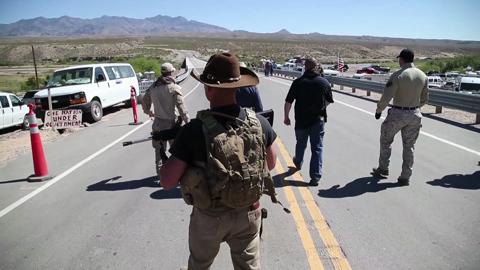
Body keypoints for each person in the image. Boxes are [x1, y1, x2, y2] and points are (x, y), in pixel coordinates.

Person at [160, 53, 278, 270]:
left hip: (209, 219)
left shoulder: (194, 130)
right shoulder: (260, 122)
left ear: (208, 89)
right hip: (248, 213)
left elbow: (167, 181)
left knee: (199, 265)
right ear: (238, 87)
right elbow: (271, 164)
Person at [372, 49, 428, 186]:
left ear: (401, 59)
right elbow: (425, 99)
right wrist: (414, 107)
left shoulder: (398, 75)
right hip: (415, 114)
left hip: (398, 113)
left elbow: (387, 96)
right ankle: (405, 176)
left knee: (386, 140)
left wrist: (379, 110)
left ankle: (383, 169)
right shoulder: (423, 76)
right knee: (409, 146)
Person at [283, 57, 334, 186]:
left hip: (301, 120)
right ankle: (315, 176)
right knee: (317, 147)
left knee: (301, 143)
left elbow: (289, 101)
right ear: (316, 67)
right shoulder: (324, 82)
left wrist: (286, 116)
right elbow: (329, 100)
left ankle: (298, 162)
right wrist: (321, 107)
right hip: (318, 120)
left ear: (305, 67)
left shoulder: (298, 82)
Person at [142, 62, 189, 178]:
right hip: (172, 125)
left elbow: (144, 101)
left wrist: (148, 111)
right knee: (176, 151)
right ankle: (175, 173)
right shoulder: (173, 88)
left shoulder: (153, 88)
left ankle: (160, 174)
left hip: (158, 125)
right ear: (171, 72)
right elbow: (181, 106)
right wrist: (188, 122)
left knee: (159, 152)